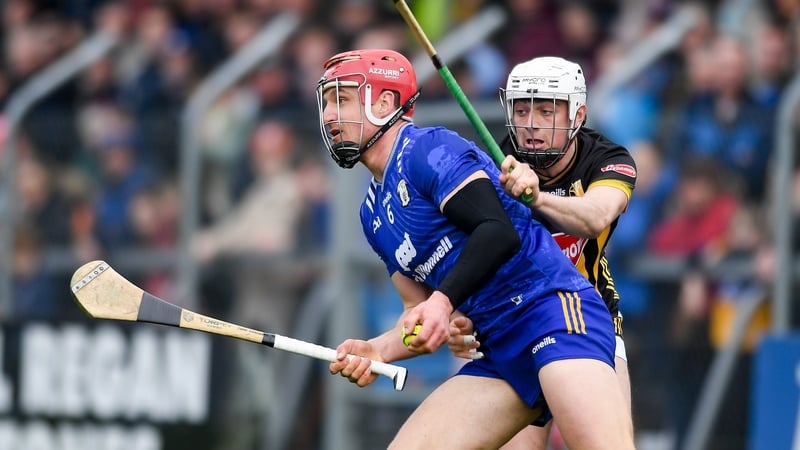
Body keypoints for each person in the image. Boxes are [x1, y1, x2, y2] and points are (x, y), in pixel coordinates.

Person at [318, 48, 634, 449]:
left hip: (551, 313)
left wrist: (443, 301)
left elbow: (499, 232)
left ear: (384, 103)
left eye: (340, 99)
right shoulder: (371, 214)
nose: (329, 115)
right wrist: (378, 349)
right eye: (327, 101)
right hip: (498, 350)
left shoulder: (429, 149)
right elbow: (417, 315)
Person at [448, 56, 638, 449]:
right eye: (521, 108)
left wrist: (537, 197)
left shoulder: (608, 160)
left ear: (578, 114)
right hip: (513, 322)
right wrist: (456, 317)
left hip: (591, 320)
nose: (531, 121)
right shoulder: (487, 166)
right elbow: (466, 253)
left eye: (547, 109)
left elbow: (594, 217)